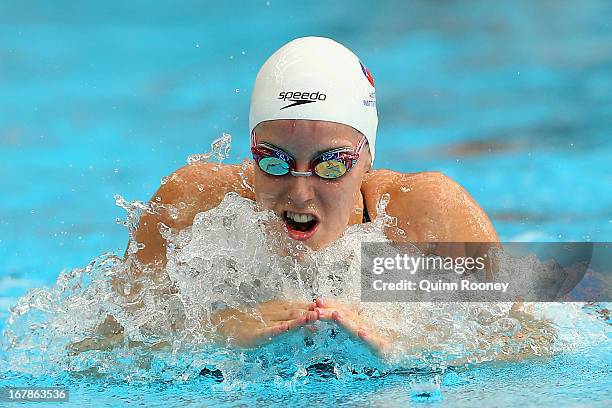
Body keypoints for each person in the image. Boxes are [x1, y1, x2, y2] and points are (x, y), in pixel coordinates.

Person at [116, 37, 499, 355]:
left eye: (331, 164)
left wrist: (403, 345)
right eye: (274, 162)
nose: (299, 194)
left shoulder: (423, 215)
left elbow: (534, 337)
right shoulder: (195, 207)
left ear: (367, 159)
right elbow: (101, 344)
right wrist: (222, 329)